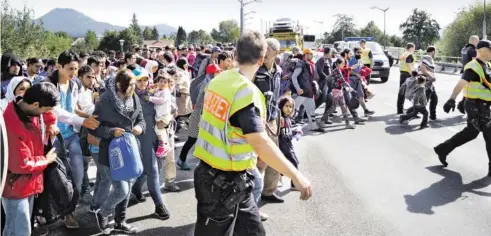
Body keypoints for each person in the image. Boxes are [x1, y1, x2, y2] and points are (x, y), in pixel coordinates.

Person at [193, 30, 312, 236]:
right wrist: (296, 176)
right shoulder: (246, 93)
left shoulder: (219, 81)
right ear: (261, 58)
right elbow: (260, 142)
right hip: (223, 184)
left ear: (236, 55)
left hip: (225, 179)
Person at [91, 69, 145, 235]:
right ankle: (103, 213)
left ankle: (121, 222)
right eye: (131, 85)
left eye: (134, 85)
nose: (134, 88)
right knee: (121, 190)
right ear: (119, 84)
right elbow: (94, 128)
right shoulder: (104, 101)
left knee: (128, 188)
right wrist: (111, 131)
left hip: (131, 150)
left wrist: (139, 127)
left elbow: (141, 119)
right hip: (111, 152)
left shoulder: (134, 97)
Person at [2, 83, 60, 236]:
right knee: (19, 231)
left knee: (15, 228)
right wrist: (46, 160)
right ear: (35, 104)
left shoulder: (26, 107)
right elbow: (22, 163)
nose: (46, 113)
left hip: (26, 182)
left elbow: (49, 112)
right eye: (45, 110)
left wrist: (51, 123)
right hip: (15, 186)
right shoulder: (12, 124)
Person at [434, 40, 491, 176]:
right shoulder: (473, 67)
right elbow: (461, 83)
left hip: (484, 106)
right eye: (490, 49)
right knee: (489, 134)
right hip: (475, 106)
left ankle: (443, 148)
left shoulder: (487, 65)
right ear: (482, 50)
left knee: (471, 133)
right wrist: (452, 99)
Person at [131, 72, 171, 220]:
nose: (142, 83)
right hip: (143, 136)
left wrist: (167, 121)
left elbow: (168, 108)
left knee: (155, 166)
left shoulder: (154, 93)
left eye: (145, 80)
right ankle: (159, 206)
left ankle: (136, 188)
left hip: (159, 135)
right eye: (139, 80)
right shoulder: (131, 97)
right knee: (153, 170)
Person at [292, 48, 325, 132]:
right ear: (306, 54)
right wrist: (298, 88)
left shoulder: (310, 64)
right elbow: (294, 76)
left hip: (309, 91)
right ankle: (284, 125)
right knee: (292, 109)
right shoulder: (301, 64)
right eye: (310, 54)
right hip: (302, 91)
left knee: (311, 109)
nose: (312, 56)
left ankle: (313, 126)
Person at [277, 96, 303, 189]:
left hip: (288, 145)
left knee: (293, 163)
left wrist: (296, 132)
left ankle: (280, 177)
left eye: (291, 106)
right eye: (286, 106)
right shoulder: (280, 118)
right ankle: (294, 183)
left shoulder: (288, 119)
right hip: (283, 146)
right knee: (294, 163)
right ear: (281, 106)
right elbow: (278, 132)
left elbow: (287, 132)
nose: (289, 109)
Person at [457, 35, 481, 114]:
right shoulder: (473, 50)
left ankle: (461, 106)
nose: (478, 42)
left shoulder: (464, 49)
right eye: (477, 41)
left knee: (469, 91)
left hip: (465, 72)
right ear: (474, 41)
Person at [419, 46, 438, 120]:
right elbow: (423, 69)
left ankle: (433, 117)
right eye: (435, 52)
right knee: (423, 103)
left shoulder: (428, 58)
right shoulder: (427, 57)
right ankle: (408, 115)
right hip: (426, 82)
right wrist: (432, 77)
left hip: (429, 83)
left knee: (434, 99)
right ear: (433, 51)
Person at [397, 43, 416, 114]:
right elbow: (409, 65)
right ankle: (414, 110)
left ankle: (399, 110)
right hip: (408, 74)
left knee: (401, 92)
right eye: (414, 48)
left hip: (402, 74)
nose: (414, 50)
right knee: (413, 92)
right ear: (411, 48)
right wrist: (413, 74)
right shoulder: (409, 55)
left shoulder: (403, 54)